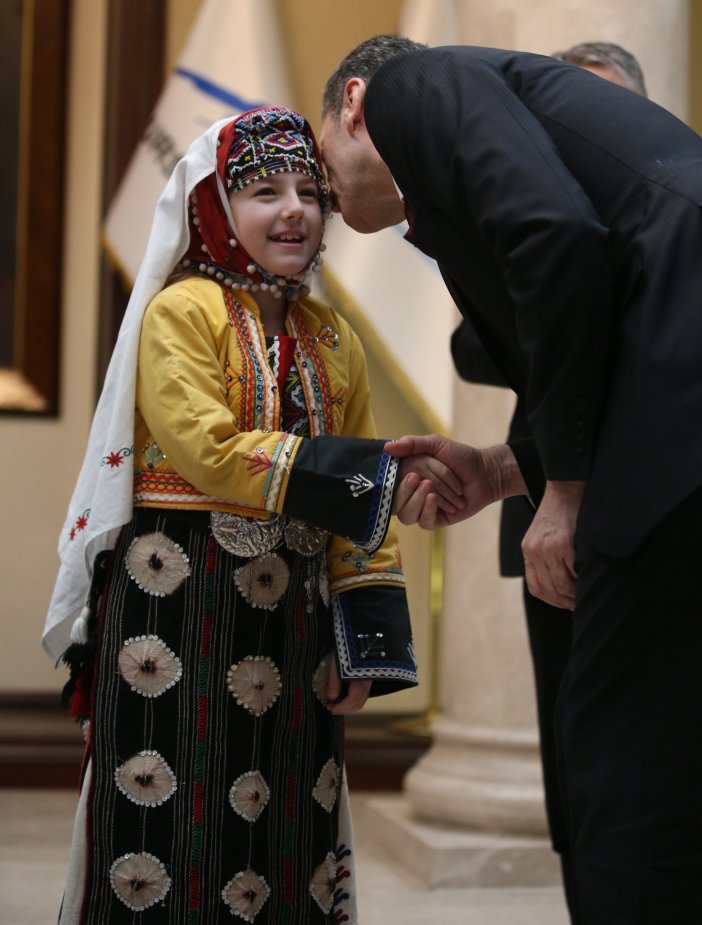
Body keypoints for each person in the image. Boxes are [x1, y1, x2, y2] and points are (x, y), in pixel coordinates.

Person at [320, 36, 702, 925]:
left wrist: (569, 494)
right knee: (666, 756)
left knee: (620, 761)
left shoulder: (413, 85)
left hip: (696, 356)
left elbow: (555, 234)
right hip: (701, 395)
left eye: (319, 159)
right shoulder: (454, 145)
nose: (320, 194)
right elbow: (588, 299)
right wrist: (507, 469)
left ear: (352, 105)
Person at [44, 106, 461, 924]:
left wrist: (364, 639)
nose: (296, 208)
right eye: (265, 189)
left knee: (285, 832)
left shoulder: (330, 336)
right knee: (168, 826)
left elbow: (356, 514)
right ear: (215, 207)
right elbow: (208, 449)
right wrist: (372, 471)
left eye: (311, 189)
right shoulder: (182, 311)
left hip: (294, 629)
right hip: (174, 612)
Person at [449, 41, 648, 914]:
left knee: (640, 766)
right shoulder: (531, 229)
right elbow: (466, 347)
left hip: (650, 520)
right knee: (569, 757)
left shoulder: (664, 225)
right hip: (544, 517)